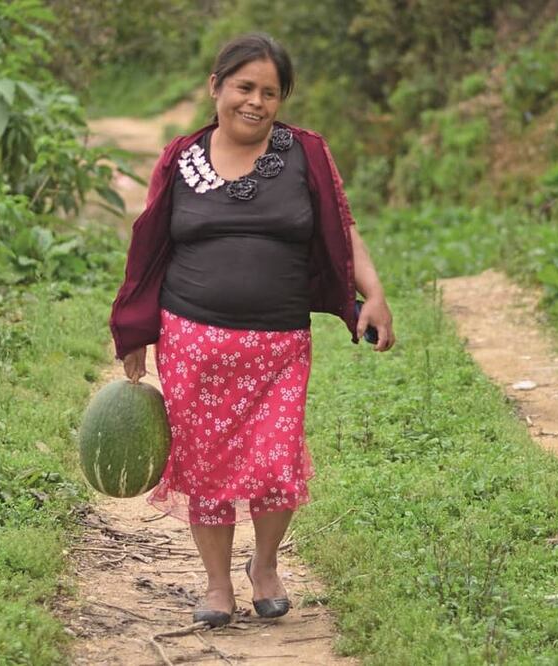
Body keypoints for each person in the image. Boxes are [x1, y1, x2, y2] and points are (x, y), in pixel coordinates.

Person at [109, 33, 395, 627]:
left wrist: (375, 294)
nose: (256, 102)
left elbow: (343, 229)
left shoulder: (306, 154)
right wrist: (136, 327)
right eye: (244, 87)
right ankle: (217, 585)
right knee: (205, 466)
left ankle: (264, 566)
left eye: (270, 92)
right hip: (193, 343)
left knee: (275, 462)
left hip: (279, 347)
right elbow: (149, 246)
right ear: (216, 87)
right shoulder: (180, 159)